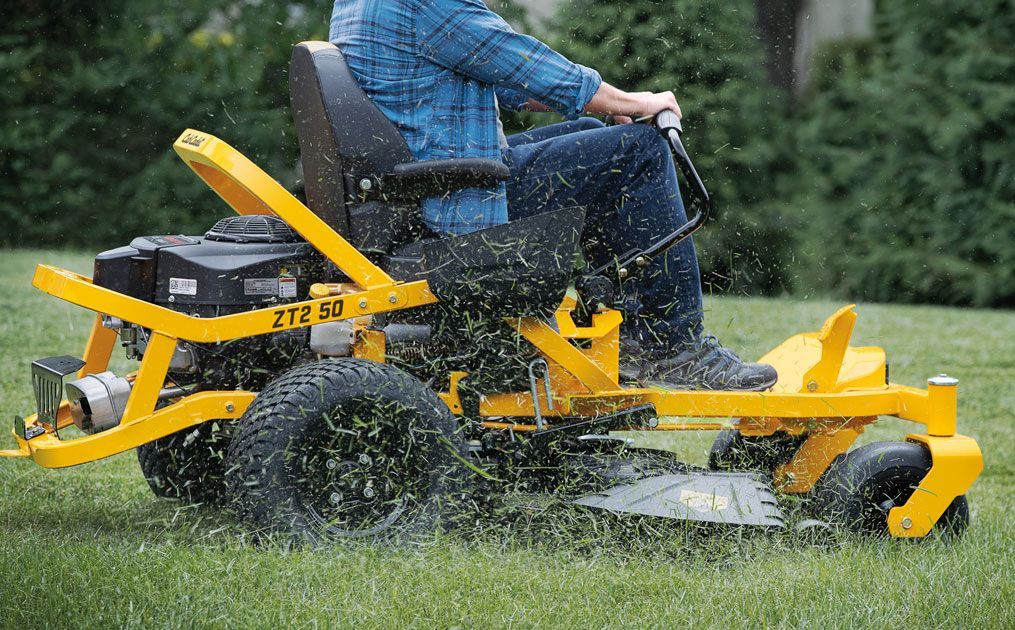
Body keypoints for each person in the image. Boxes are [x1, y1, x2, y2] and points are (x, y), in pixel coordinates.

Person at [329, 0, 777, 391]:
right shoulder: (427, 2)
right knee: (637, 151)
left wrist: (607, 104)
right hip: (453, 204)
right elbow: (527, 66)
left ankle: (633, 338)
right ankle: (674, 345)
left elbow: (506, 80)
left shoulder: (362, 2)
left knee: (590, 133)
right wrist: (634, 103)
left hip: (419, 190)